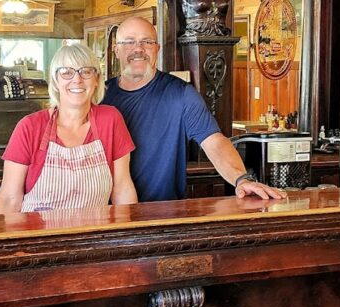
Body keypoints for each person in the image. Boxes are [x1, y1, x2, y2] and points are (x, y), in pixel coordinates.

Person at [102, 16, 285, 202]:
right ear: (116, 50)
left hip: (164, 216)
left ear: (158, 49)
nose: (138, 49)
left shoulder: (180, 94)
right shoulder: (101, 97)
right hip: (109, 215)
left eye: (147, 41)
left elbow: (215, 142)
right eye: (129, 42)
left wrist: (241, 179)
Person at [0, 43, 137, 213]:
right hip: (38, 236)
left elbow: (122, 189)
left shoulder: (110, 120)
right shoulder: (29, 127)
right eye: (66, 72)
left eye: (86, 71)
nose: (77, 79)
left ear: (97, 79)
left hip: (94, 235)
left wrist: (131, 237)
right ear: (55, 80)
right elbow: (9, 198)